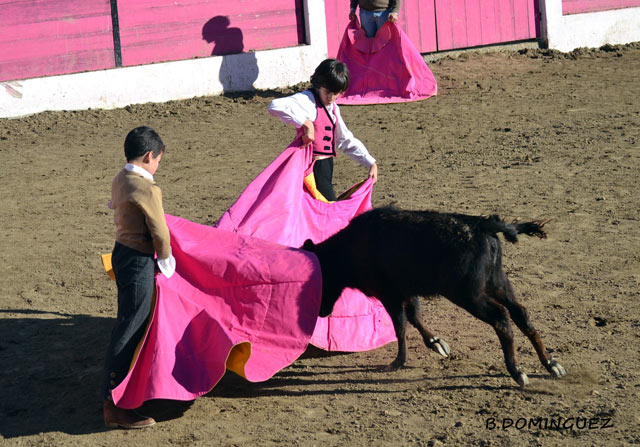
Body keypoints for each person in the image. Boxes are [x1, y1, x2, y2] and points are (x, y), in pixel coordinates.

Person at [102, 126, 176, 429]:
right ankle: (114, 404)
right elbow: (159, 230)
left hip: (121, 252)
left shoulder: (121, 178)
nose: (157, 165)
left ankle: (119, 396)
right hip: (137, 260)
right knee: (131, 326)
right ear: (149, 155)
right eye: (158, 160)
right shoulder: (146, 188)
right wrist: (167, 259)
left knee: (129, 322)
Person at [268, 58, 378, 201]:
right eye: (328, 92)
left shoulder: (333, 108)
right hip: (310, 170)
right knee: (327, 209)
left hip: (325, 167)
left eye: (336, 93)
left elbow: (345, 139)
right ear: (319, 84)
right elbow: (275, 106)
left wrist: (370, 162)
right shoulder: (307, 100)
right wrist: (305, 123)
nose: (331, 98)